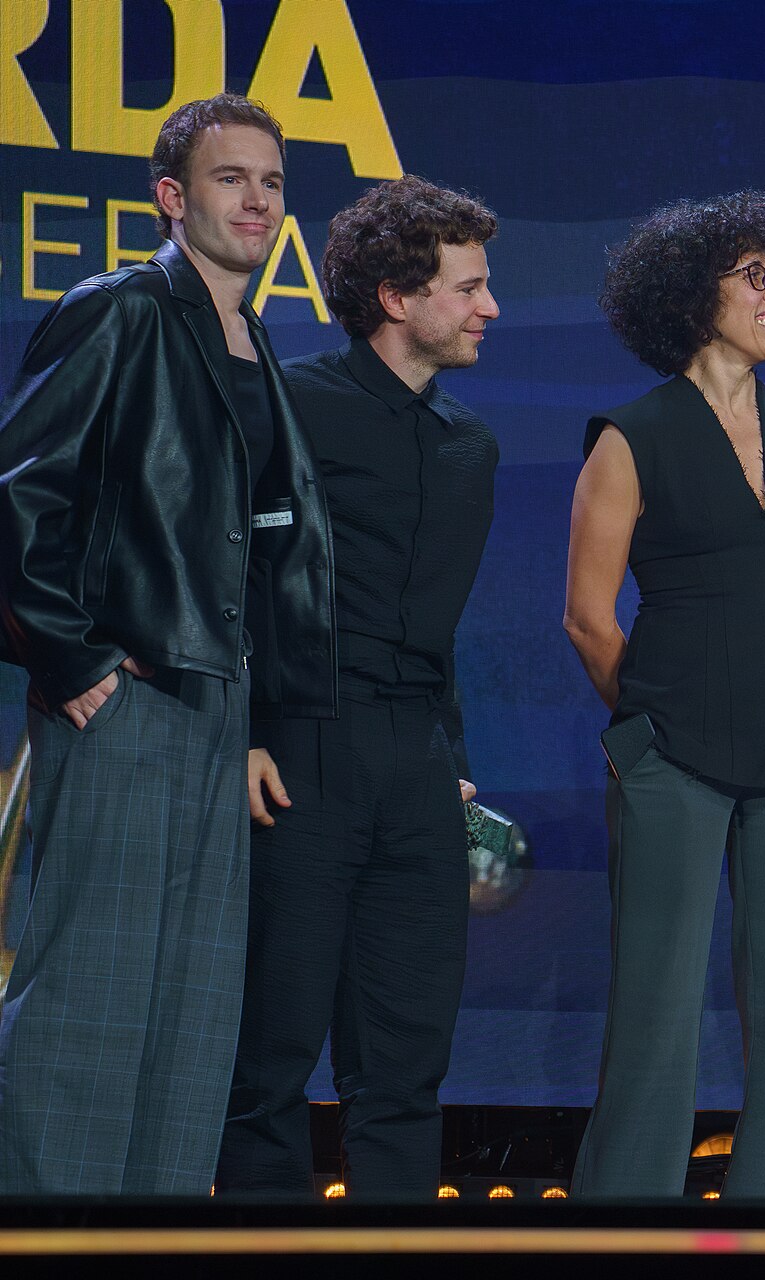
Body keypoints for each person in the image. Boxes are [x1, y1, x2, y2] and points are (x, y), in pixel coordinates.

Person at [0, 94, 335, 1194]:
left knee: (191, 1021)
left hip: (215, 708)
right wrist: (73, 660)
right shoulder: (126, 308)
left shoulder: (253, 336)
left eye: (272, 182)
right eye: (231, 178)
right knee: (90, 1008)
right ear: (171, 197)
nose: (256, 199)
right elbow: (19, 497)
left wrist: (252, 709)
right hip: (126, 699)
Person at [217, 176, 501, 1200]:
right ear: (395, 296)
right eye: (467, 286)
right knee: (271, 1060)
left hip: (418, 765)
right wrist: (246, 730)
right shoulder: (290, 404)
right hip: (301, 749)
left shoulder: (474, 444)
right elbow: (235, 575)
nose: (490, 307)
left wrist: (453, 764)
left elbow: (440, 622)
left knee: (406, 1067)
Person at [563, 191, 765, 1198]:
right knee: (655, 1013)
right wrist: (650, 730)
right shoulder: (629, 436)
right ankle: (624, 1228)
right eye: (754, 276)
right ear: (694, 296)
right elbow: (589, 618)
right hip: (671, 758)